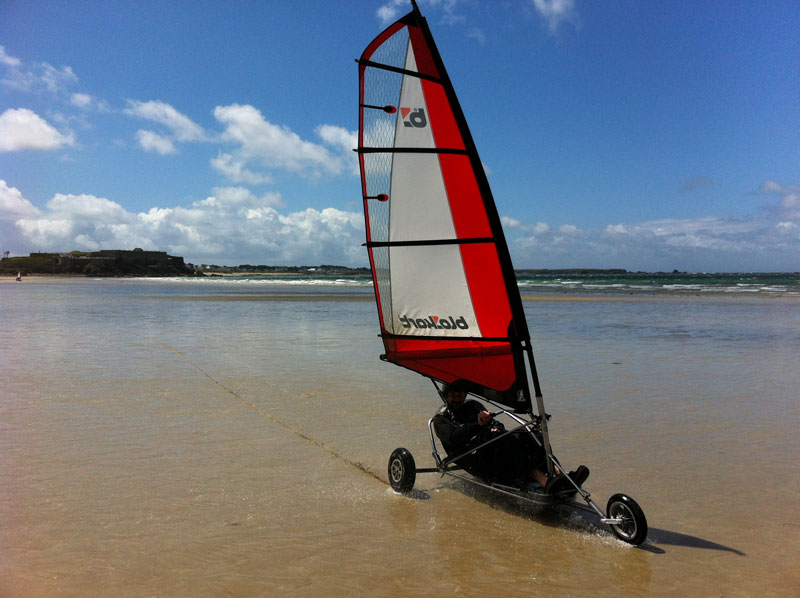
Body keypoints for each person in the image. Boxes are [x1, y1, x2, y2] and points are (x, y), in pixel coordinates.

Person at [432, 379, 589, 493]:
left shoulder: (473, 406)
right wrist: (479, 426)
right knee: (503, 439)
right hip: (474, 459)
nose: (457, 400)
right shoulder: (441, 419)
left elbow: (497, 424)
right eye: (453, 396)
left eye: (460, 396)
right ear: (446, 396)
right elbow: (454, 437)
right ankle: (544, 480)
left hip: (491, 448)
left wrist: (493, 428)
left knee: (530, 433)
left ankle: (559, 473)